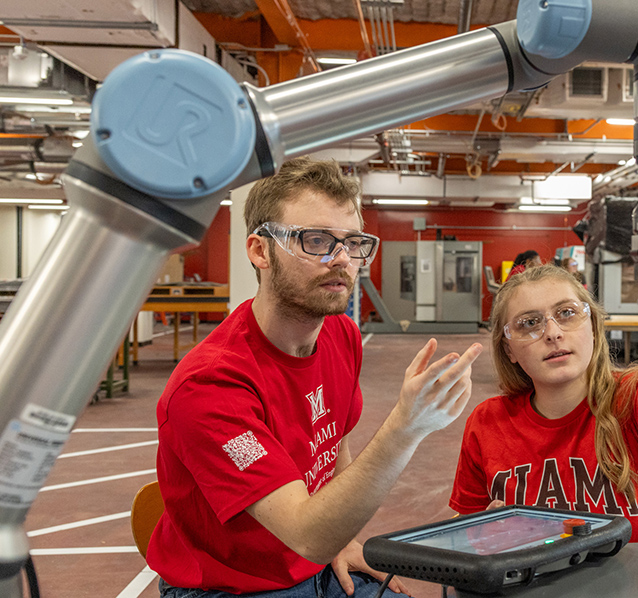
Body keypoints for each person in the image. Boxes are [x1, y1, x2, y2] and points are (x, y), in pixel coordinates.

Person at [148, 157, 483, 598]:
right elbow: (306, 534)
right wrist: (405, 428)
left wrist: (342, 539)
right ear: (260, 250)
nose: (341, 259)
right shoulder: (210, 386)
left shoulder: (340, 334)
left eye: (352, 243)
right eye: (317, 240)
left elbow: (330, 444)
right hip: (234, 587)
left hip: (319, 559)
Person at [449, 264, 638, 542]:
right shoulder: (488, 421)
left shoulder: (632, 401)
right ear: (509, 350)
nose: (552, 333)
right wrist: (483, 534)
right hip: (533, 586)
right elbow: (466, 529)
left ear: (592, 327)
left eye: (566, 313)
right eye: (530, 323)